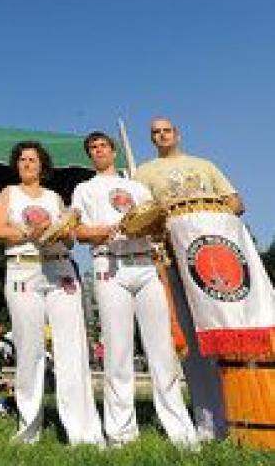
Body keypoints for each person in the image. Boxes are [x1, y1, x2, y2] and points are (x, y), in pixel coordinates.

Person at [72, 131, 198, 448]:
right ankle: (121, 433)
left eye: (103, 146)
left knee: (161, 350)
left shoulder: (138, 187)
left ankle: (181, 430)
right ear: (90, 156)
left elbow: (158, 225)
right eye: (93, 148)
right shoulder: (84, 189)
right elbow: (79, 232)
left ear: (113, 151)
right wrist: (105, 229)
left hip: (145, 263)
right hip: (109, 264)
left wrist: (150, 220)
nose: (99, 151)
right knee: (117, 350)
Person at [134, 117, 242, 441]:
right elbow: (140, 218)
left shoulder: (204, 165)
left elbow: (236, 202)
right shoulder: (143, 173)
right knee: (192, 343)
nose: (162, 135)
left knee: (224, 336)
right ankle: (207, 420)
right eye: (156, 132)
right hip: (174, 261)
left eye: (167, 130)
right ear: (151, 139)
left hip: (215, 261)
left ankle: (239, 414)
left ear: (177, 134)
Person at [0, 141, 104, 447]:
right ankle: (29, 428)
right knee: (29, 350)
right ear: (17, 165)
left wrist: (65, 233)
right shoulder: (8, 193)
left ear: (43, 166)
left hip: (59, 268)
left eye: (33, 159)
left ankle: (83, 431)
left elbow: (69, 243)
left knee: (72, 349)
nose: (27, 164)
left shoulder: (54, 198)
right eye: (23, 159)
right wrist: (29, 233)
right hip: (23, 267)